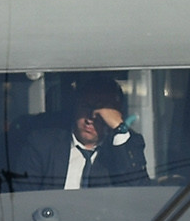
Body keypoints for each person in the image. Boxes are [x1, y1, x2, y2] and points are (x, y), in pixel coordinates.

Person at [21, 77, 149, 190]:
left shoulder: (126, 146)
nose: (90, 119)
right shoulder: (43, 144)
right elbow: (24, 197)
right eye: (86, 107)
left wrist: (119, 128)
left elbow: (139, 192)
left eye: (100, 112)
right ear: (76, 107)